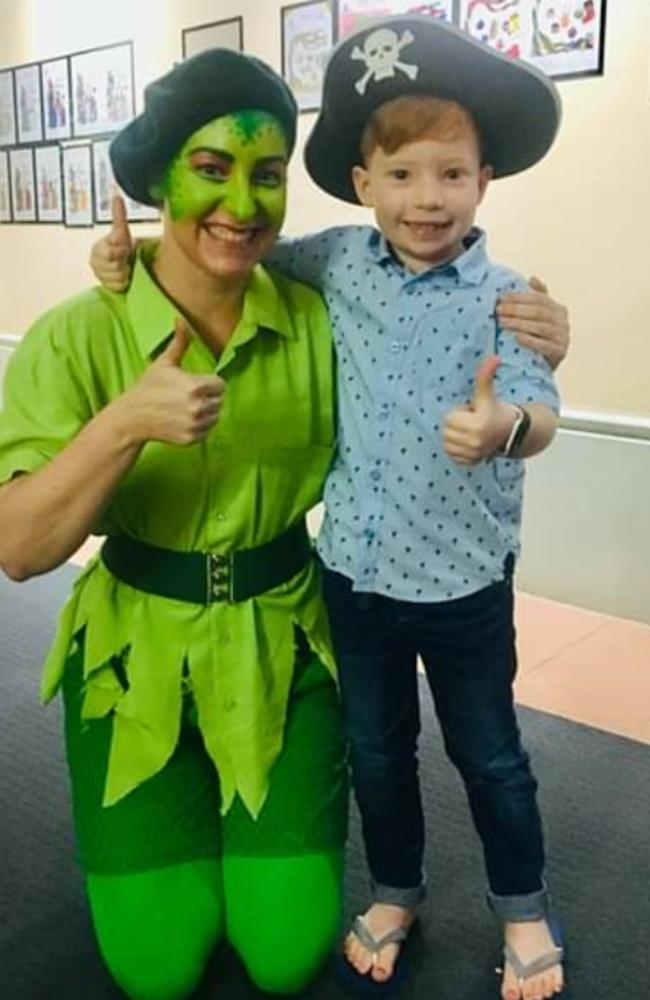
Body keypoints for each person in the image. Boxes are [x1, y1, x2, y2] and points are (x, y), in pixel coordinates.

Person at [89, 19, 570, 1000]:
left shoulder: (510, 299)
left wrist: (505, 427)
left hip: (465, 579)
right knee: (373, 751)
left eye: (448, 174)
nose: (424, 198)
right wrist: (132, 257)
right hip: (352, 576)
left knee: (488, 754)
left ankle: (522, 908)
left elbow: (543, 413)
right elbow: (231, 253)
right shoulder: (336, 262)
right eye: (399, 176)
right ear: (361, 184)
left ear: (483, 181)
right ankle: (395, 888)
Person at [0, 49, 349, 1000]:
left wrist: (525, 375)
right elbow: (20, 547)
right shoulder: (80, 334)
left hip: (284, 651)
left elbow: (423, 291)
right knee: (155, 974)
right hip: (132, 662)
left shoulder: (322, 320)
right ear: (157, 179)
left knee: (284, 958)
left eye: (266, 174)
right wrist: (123, 424)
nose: (242, 202)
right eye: (211, 169)